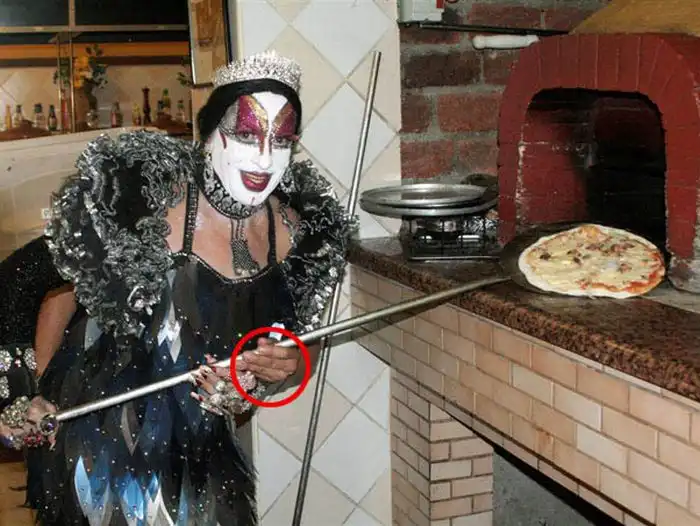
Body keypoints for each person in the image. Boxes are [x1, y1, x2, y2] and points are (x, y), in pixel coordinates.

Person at [0, 50, 354, 525]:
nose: (264, 157)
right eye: (245, 134)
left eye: (282, 139)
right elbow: (24, 284)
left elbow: (281, 352)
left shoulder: (295, 234)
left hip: (201, 456)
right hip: (98, 454)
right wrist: (22, 394)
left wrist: (285, 366)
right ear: (208, 134)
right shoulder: (143, 203)